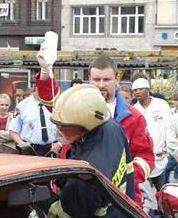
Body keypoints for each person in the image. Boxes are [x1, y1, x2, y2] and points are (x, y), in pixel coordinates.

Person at [46, 84, 139, 218]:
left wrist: (40, 195)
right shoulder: (111, 129)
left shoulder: (85, 175)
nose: (59, 129)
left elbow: (70, 216)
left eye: (64, 125)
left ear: (84, 125)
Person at [35, 54, 154, 206]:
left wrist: (120, 178)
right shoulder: (76, 107)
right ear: (89, 79)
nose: (101, 85)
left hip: (121, 199)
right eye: (96, 79)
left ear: (116, 79)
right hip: (77, 190)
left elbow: (145, 158)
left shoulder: (134, 118)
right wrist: (46, 71)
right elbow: (54, 101)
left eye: (107, 79)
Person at [132, 77, 172, 191]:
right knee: (145, 194)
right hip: (143, 160)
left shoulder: (162, 105)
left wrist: (168, 148)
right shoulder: (134, 109)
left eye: (141, 89)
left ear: (148, 89)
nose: (138, 92)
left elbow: (169, 127)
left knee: (163, 193)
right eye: (135, 90)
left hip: (162, 157)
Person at [8, 89, 61, 156]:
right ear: (36, 87)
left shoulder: (57, 103)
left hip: (53, 150)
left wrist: (60, 144)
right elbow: (13, 130)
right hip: (30, 150)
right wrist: (22, 143)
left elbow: (66, 128)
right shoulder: (23, 105)